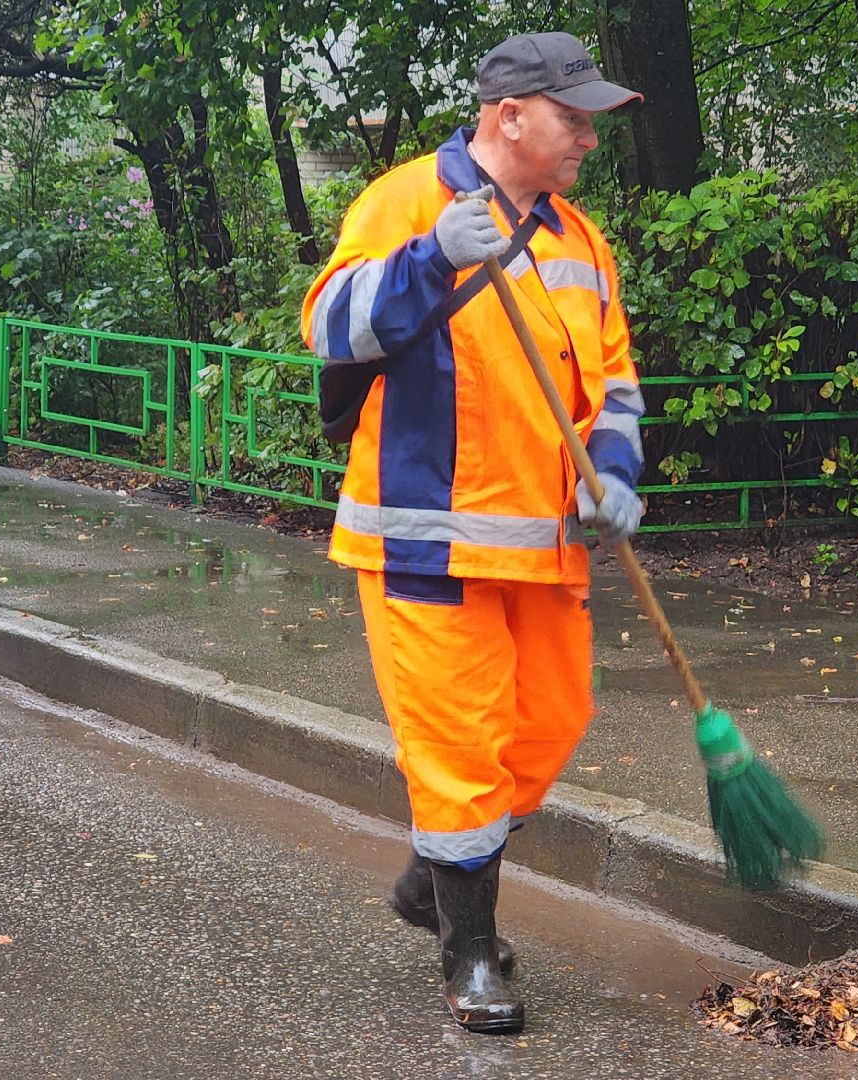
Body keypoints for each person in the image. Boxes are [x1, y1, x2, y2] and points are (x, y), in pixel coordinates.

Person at [300, 32, 646, 1034]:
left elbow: (614, 380)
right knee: (459, 750)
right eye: (571, 116)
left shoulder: (579, 239)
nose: (587, 135)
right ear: (508, 117)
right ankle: (470, 951)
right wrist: (427, 261)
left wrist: (613, 472)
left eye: (590, 118)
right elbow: (328, 328)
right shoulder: (407, 200)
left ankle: (434, 874)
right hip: (426, 541)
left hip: (546, 544)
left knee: (549, 725)